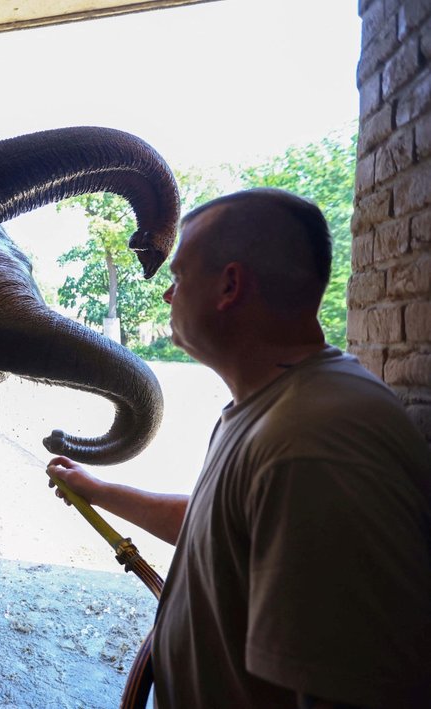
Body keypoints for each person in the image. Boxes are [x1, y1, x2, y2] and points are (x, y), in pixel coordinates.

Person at [47, 188, 431, 709]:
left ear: (230, 286)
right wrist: (98, 489)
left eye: (179, 277)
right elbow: (224, 531)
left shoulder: (312, 443)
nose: (167, 296)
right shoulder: (274, 409)